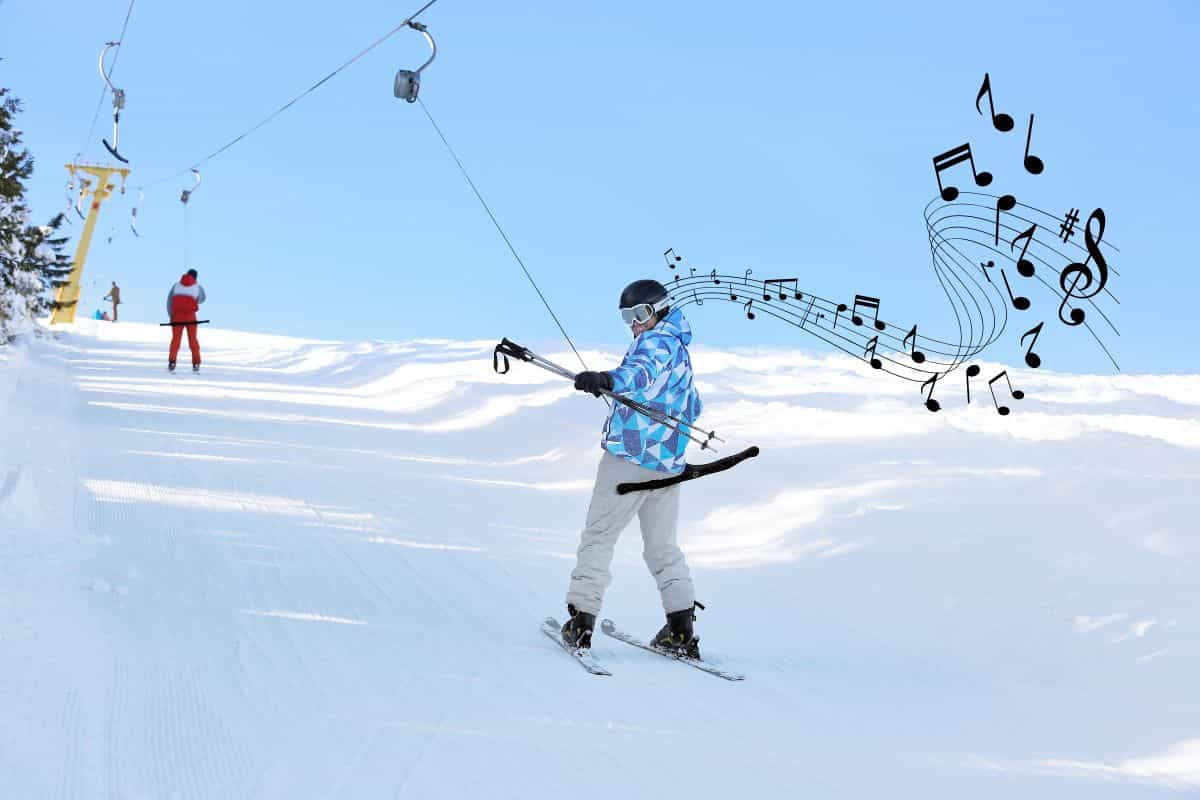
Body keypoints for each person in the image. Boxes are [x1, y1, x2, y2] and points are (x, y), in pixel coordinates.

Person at [562, 278, 705, 657]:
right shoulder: (678, 348)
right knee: (662, 547)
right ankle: (680, 628)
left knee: (598, 536)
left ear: (660, 308)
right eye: (627, 316)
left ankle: (581, 621)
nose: (634, 324)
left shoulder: (655, 343)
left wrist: (609, 380)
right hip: (667, 465)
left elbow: (639, 374)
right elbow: (693, 406)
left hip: (629, 459)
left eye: (640, 314)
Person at [166, 268, 206, 372]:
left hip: (177, 317)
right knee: (193, 340)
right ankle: (196, 363)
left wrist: (171, 316)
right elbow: (202, 299)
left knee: (176, 340)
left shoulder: (176, 286)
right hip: (190, 316)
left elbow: (169, 301)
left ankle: (172, 362)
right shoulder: (197, 287)